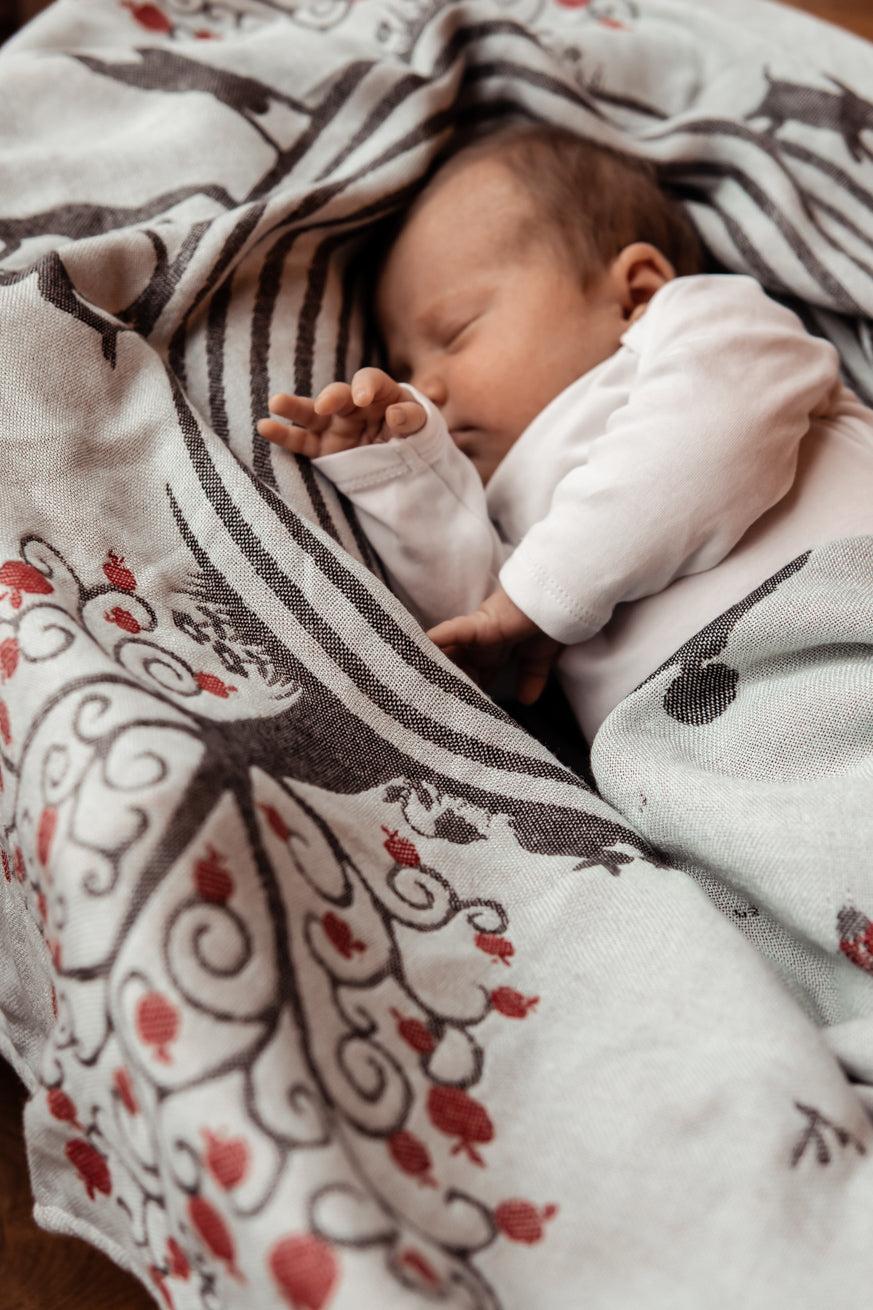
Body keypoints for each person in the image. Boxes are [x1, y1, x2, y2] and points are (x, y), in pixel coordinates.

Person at [257, 123, 873, 741]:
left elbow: (717, 436)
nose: (427, 387)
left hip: (843, 616)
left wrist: (538, 594)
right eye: (409, 368)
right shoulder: (517, 537)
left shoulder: (706, 326)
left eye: (456, 332)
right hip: (711, 767)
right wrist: (402, 476)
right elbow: (490, 644)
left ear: (636, 292)